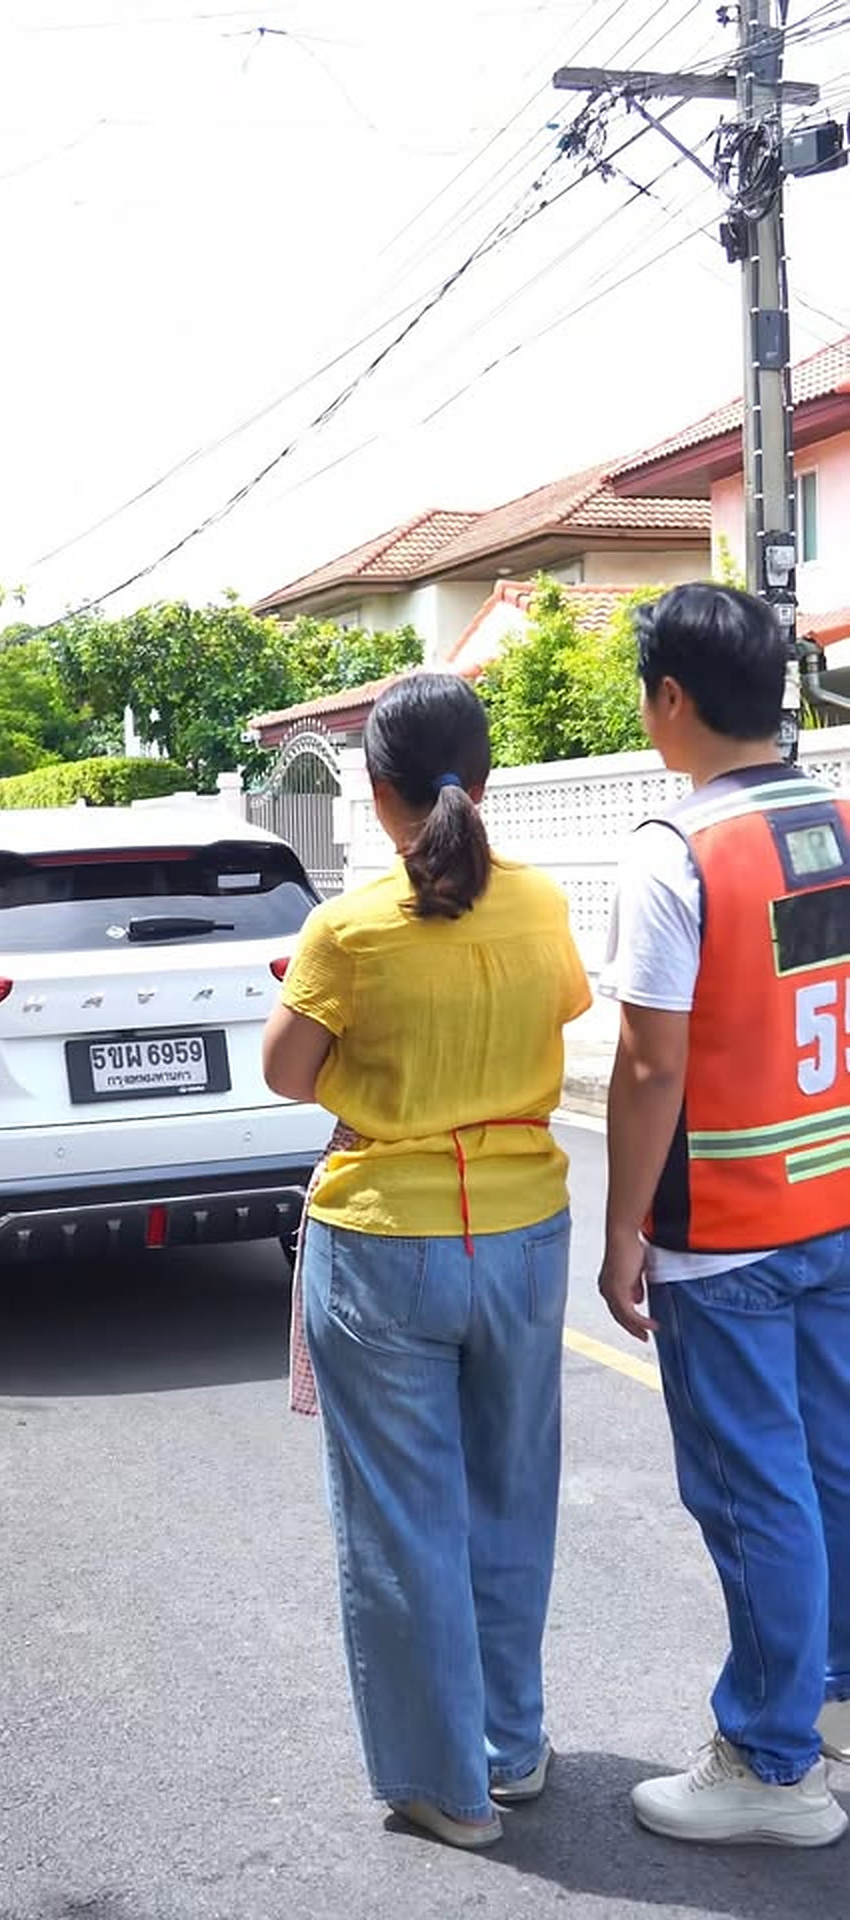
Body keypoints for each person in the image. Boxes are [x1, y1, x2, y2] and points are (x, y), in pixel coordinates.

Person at [263, 672, 591, 1850]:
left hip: (385, 1242)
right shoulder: (541, 903)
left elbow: (286, 1074)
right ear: (484, 779)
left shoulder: (348, 929)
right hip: (525, 1233)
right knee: (512, 1494)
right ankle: (511, 1748)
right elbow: (551, 1016)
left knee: (404, 1520)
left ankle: (445, 1787)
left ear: (375, 789)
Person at [598, 582, 850, 1849]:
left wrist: (621, 1229)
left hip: (729, 1231)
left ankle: (770, 1761)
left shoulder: (676, 850)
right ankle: (834, 1701)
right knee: (834, 1465)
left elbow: (651, 1066)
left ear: (671, 698)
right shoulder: (839, 820)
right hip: (836, 1201)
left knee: (757, 1497)